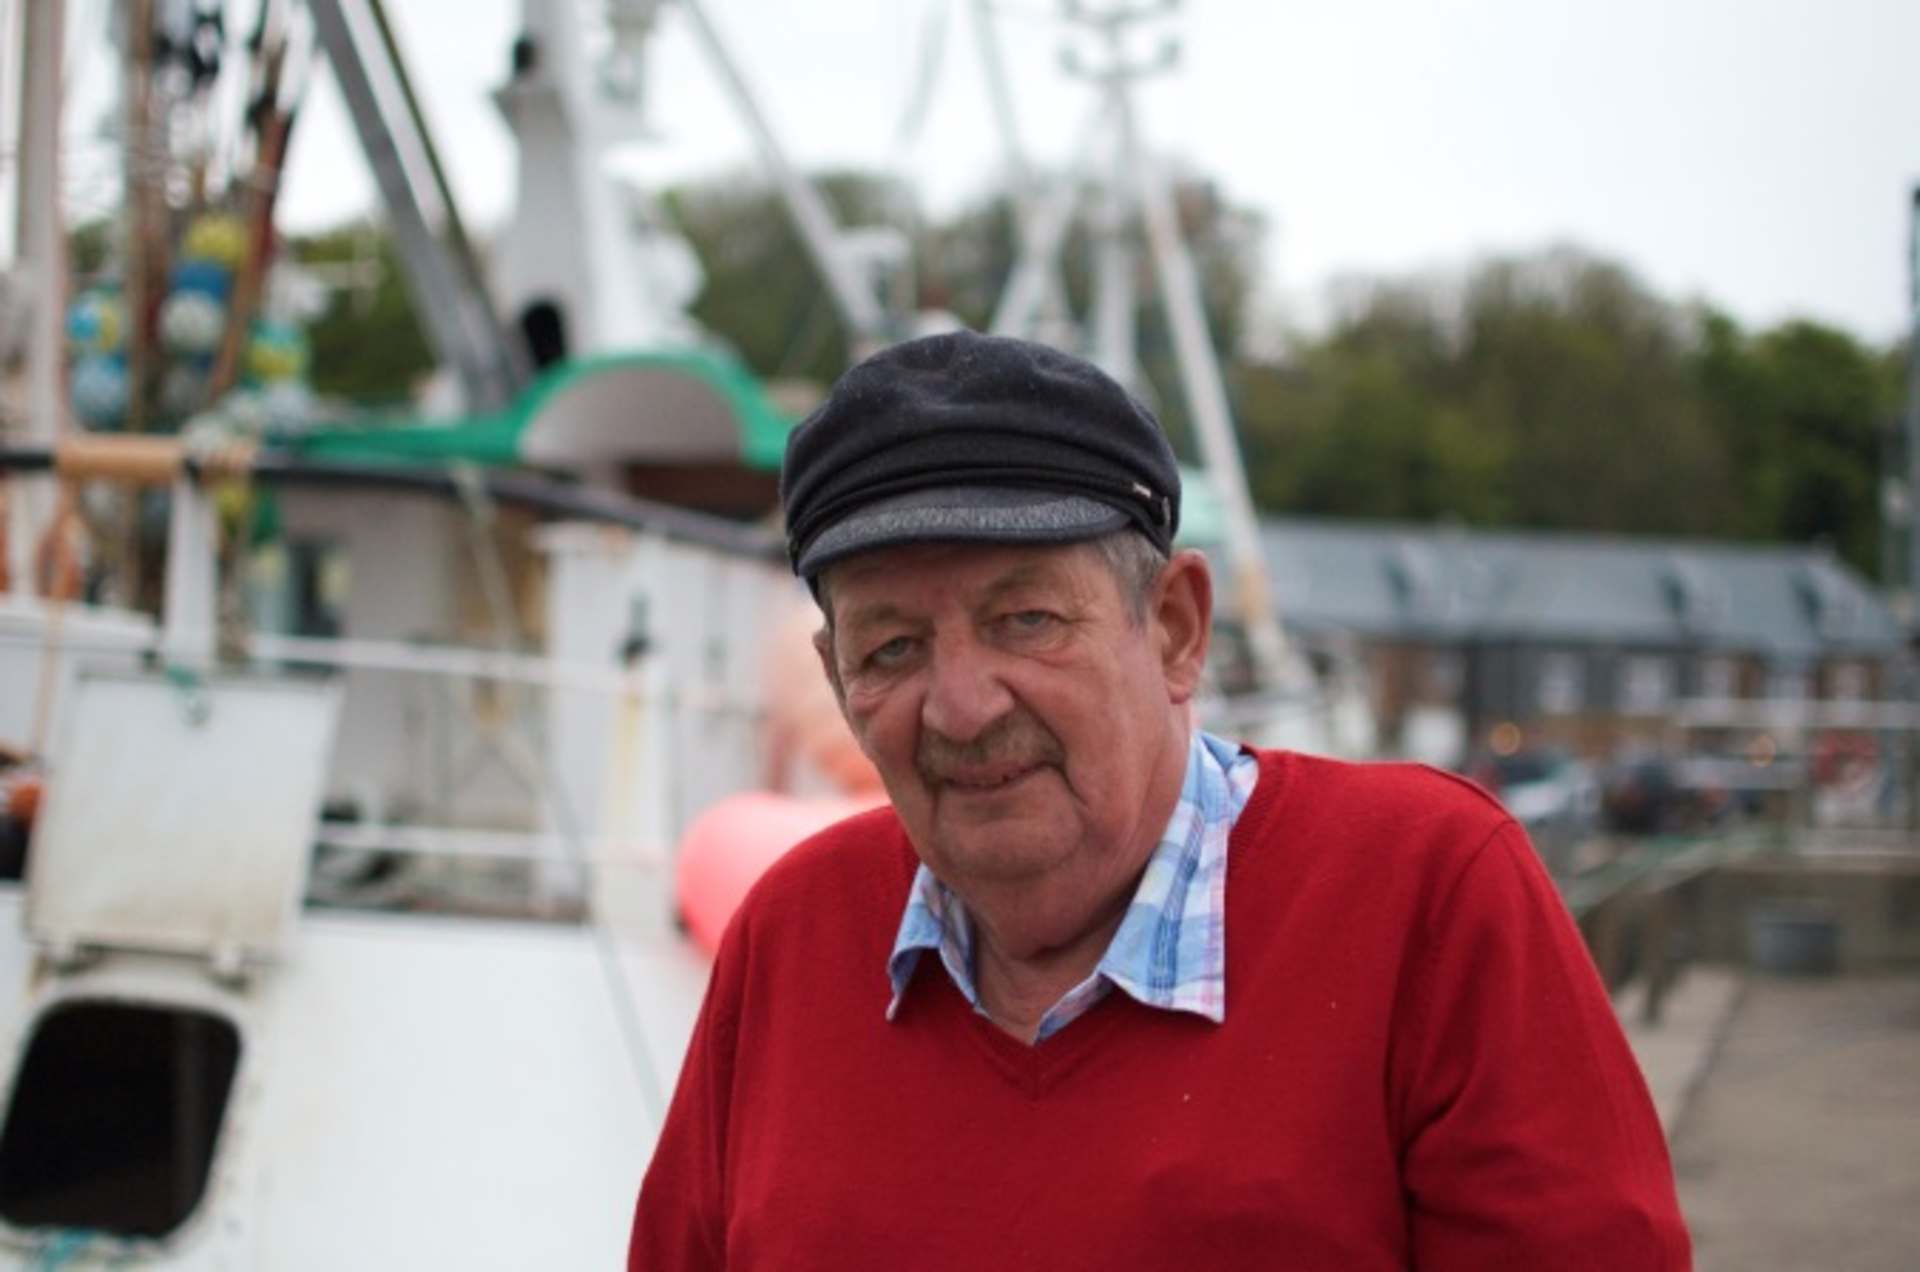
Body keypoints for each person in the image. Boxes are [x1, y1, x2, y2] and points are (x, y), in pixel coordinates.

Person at [629, 331, 1690, 1270]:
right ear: (838, 680)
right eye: (893, 647)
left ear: (1177, 628)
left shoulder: (1427, 890)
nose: (958, 707)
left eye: (1026, 620)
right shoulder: (790, 935)